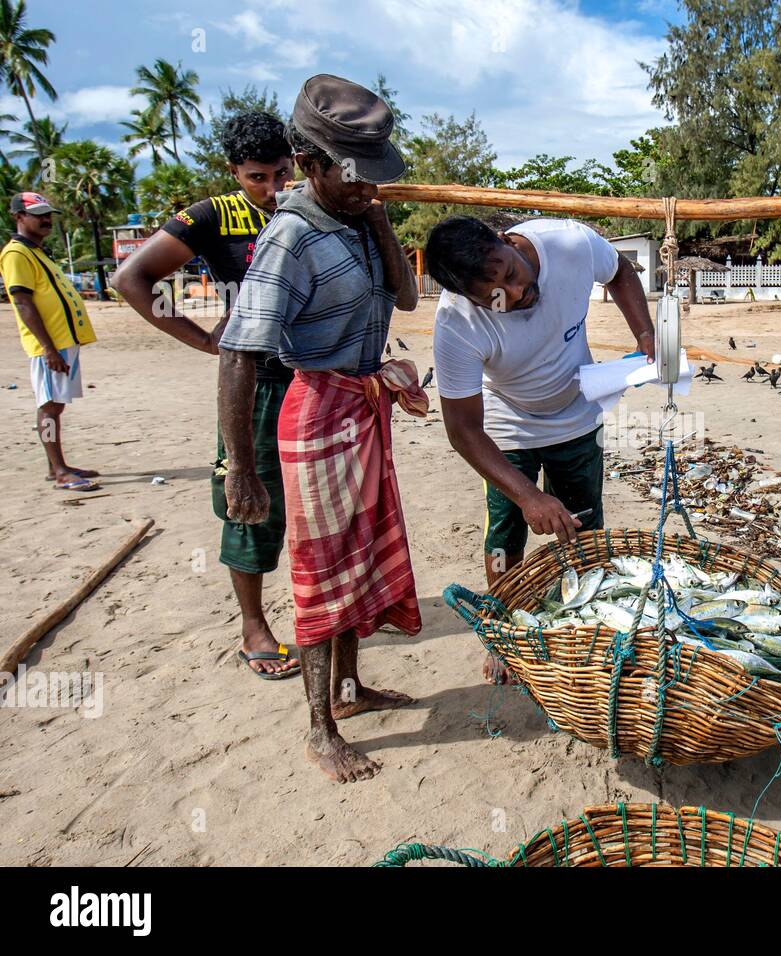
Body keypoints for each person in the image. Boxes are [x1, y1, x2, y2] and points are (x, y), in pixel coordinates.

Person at [219, 75, 422, 784]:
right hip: (316, 414)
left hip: (362, 410)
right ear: (310, 165)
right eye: (353, 174)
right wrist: (240, 468)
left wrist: (378, 220)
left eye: (375, 175)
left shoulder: (359, 218)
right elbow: (240, 351)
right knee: (320, 574)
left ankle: (351, 688)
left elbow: (406, 294)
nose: (368, 185)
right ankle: (319, 727)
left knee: (359, 559)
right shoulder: (292, 236)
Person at [425, 215, 654, 683]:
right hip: (507, 426)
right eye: (493, 296)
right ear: (465, 296)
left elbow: (621, 273)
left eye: (510, 273)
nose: (514, 295)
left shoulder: (569, 244)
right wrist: (528, 496)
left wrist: (646, 336)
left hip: (576, 414)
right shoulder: (455, 323)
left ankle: (592, 621)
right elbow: (464, 430)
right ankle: (503, 632)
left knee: (585, 528)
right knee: (505, 536)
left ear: (506, 241)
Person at [111, 112, 298, 679]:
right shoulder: (214, 215)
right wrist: (203, 341)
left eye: (281, 173)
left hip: (319, 378)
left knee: (329, 502)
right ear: (234, 173)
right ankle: (254, 625)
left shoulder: (309, 205)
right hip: (257, 385)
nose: (272, 189)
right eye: (257, 177)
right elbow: (130, 279)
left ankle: (342, 609)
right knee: (251, 504)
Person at [2, 192, 99, 492]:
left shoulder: (38, 252)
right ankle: (59, 472)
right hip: (51, 346)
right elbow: (23, 303)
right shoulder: (16, 253)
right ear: (19, 217)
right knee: (48, 407)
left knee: (56, 406)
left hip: (62, 342)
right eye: (38, 214)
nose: (46, 220)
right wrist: (48, 349)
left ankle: (57, 466)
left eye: (48, 214)